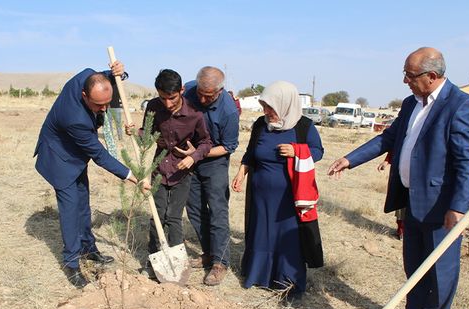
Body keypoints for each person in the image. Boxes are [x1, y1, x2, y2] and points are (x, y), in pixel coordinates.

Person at [327, 47, 469, 309]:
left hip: (441, 205)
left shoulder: (460, 105)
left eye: (410, 76)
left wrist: (459, 207)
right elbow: (389, 137)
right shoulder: (412, 103)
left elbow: (466, 161)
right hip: (412, 199)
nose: (405, 81)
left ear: (432, 76)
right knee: (414, 264)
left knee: (440, 269)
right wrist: (350, 158)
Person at [34, 61, 148, 289]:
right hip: (60, 159)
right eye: (99, 105)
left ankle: (88, 248)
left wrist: (119, 74)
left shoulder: (87, 75)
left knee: (83, 204)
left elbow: (105, 77)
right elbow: (100, 155)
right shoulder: (74, 117)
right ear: (84, 95)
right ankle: (72, 263)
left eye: (107, 104)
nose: (104, 110)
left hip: (76, 155)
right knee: (70, 209)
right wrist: (132, 176)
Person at [232, 81, 324, 295]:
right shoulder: (260, 125)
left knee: (288, 238)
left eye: (270, 107)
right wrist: (241, 172)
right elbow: (250, 152)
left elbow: (318, 151)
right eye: (264, 106)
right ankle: (258, 276)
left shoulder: (303, 126)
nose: (266, 112)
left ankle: (287, 281)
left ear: (285, 104)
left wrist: (297, 151)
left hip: (289, 197)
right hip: (260, 195)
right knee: (260, 233)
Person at [128, 69, 212, 278]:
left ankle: (177, 263)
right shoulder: (153, 107)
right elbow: (146, 134)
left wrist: (193, 157)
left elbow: (206, 142)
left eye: (172, 98)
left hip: (182, 174)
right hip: (158, 169)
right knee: (156, 216)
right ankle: (153, 261)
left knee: (173, 218)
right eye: (162, 97)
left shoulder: (195, 114)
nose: (167, 103)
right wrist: (135, 132)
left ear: (182, 91)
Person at [183, 66, 239, 286]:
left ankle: (220, 262)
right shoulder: (187, 90)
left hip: (214, 162)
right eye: (200, 94)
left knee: (217, 211)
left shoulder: (228, 111)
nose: (203, 100)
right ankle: (207, 252)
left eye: (209, 96)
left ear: (220, 90)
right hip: (189, 160)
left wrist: (198, 154)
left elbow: (228, 146)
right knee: (194, 209)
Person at [377, 153, 405, 240]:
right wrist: (387, 160)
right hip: (401, 171)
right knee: (401, 202)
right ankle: (401, 231)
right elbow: (397, 143)